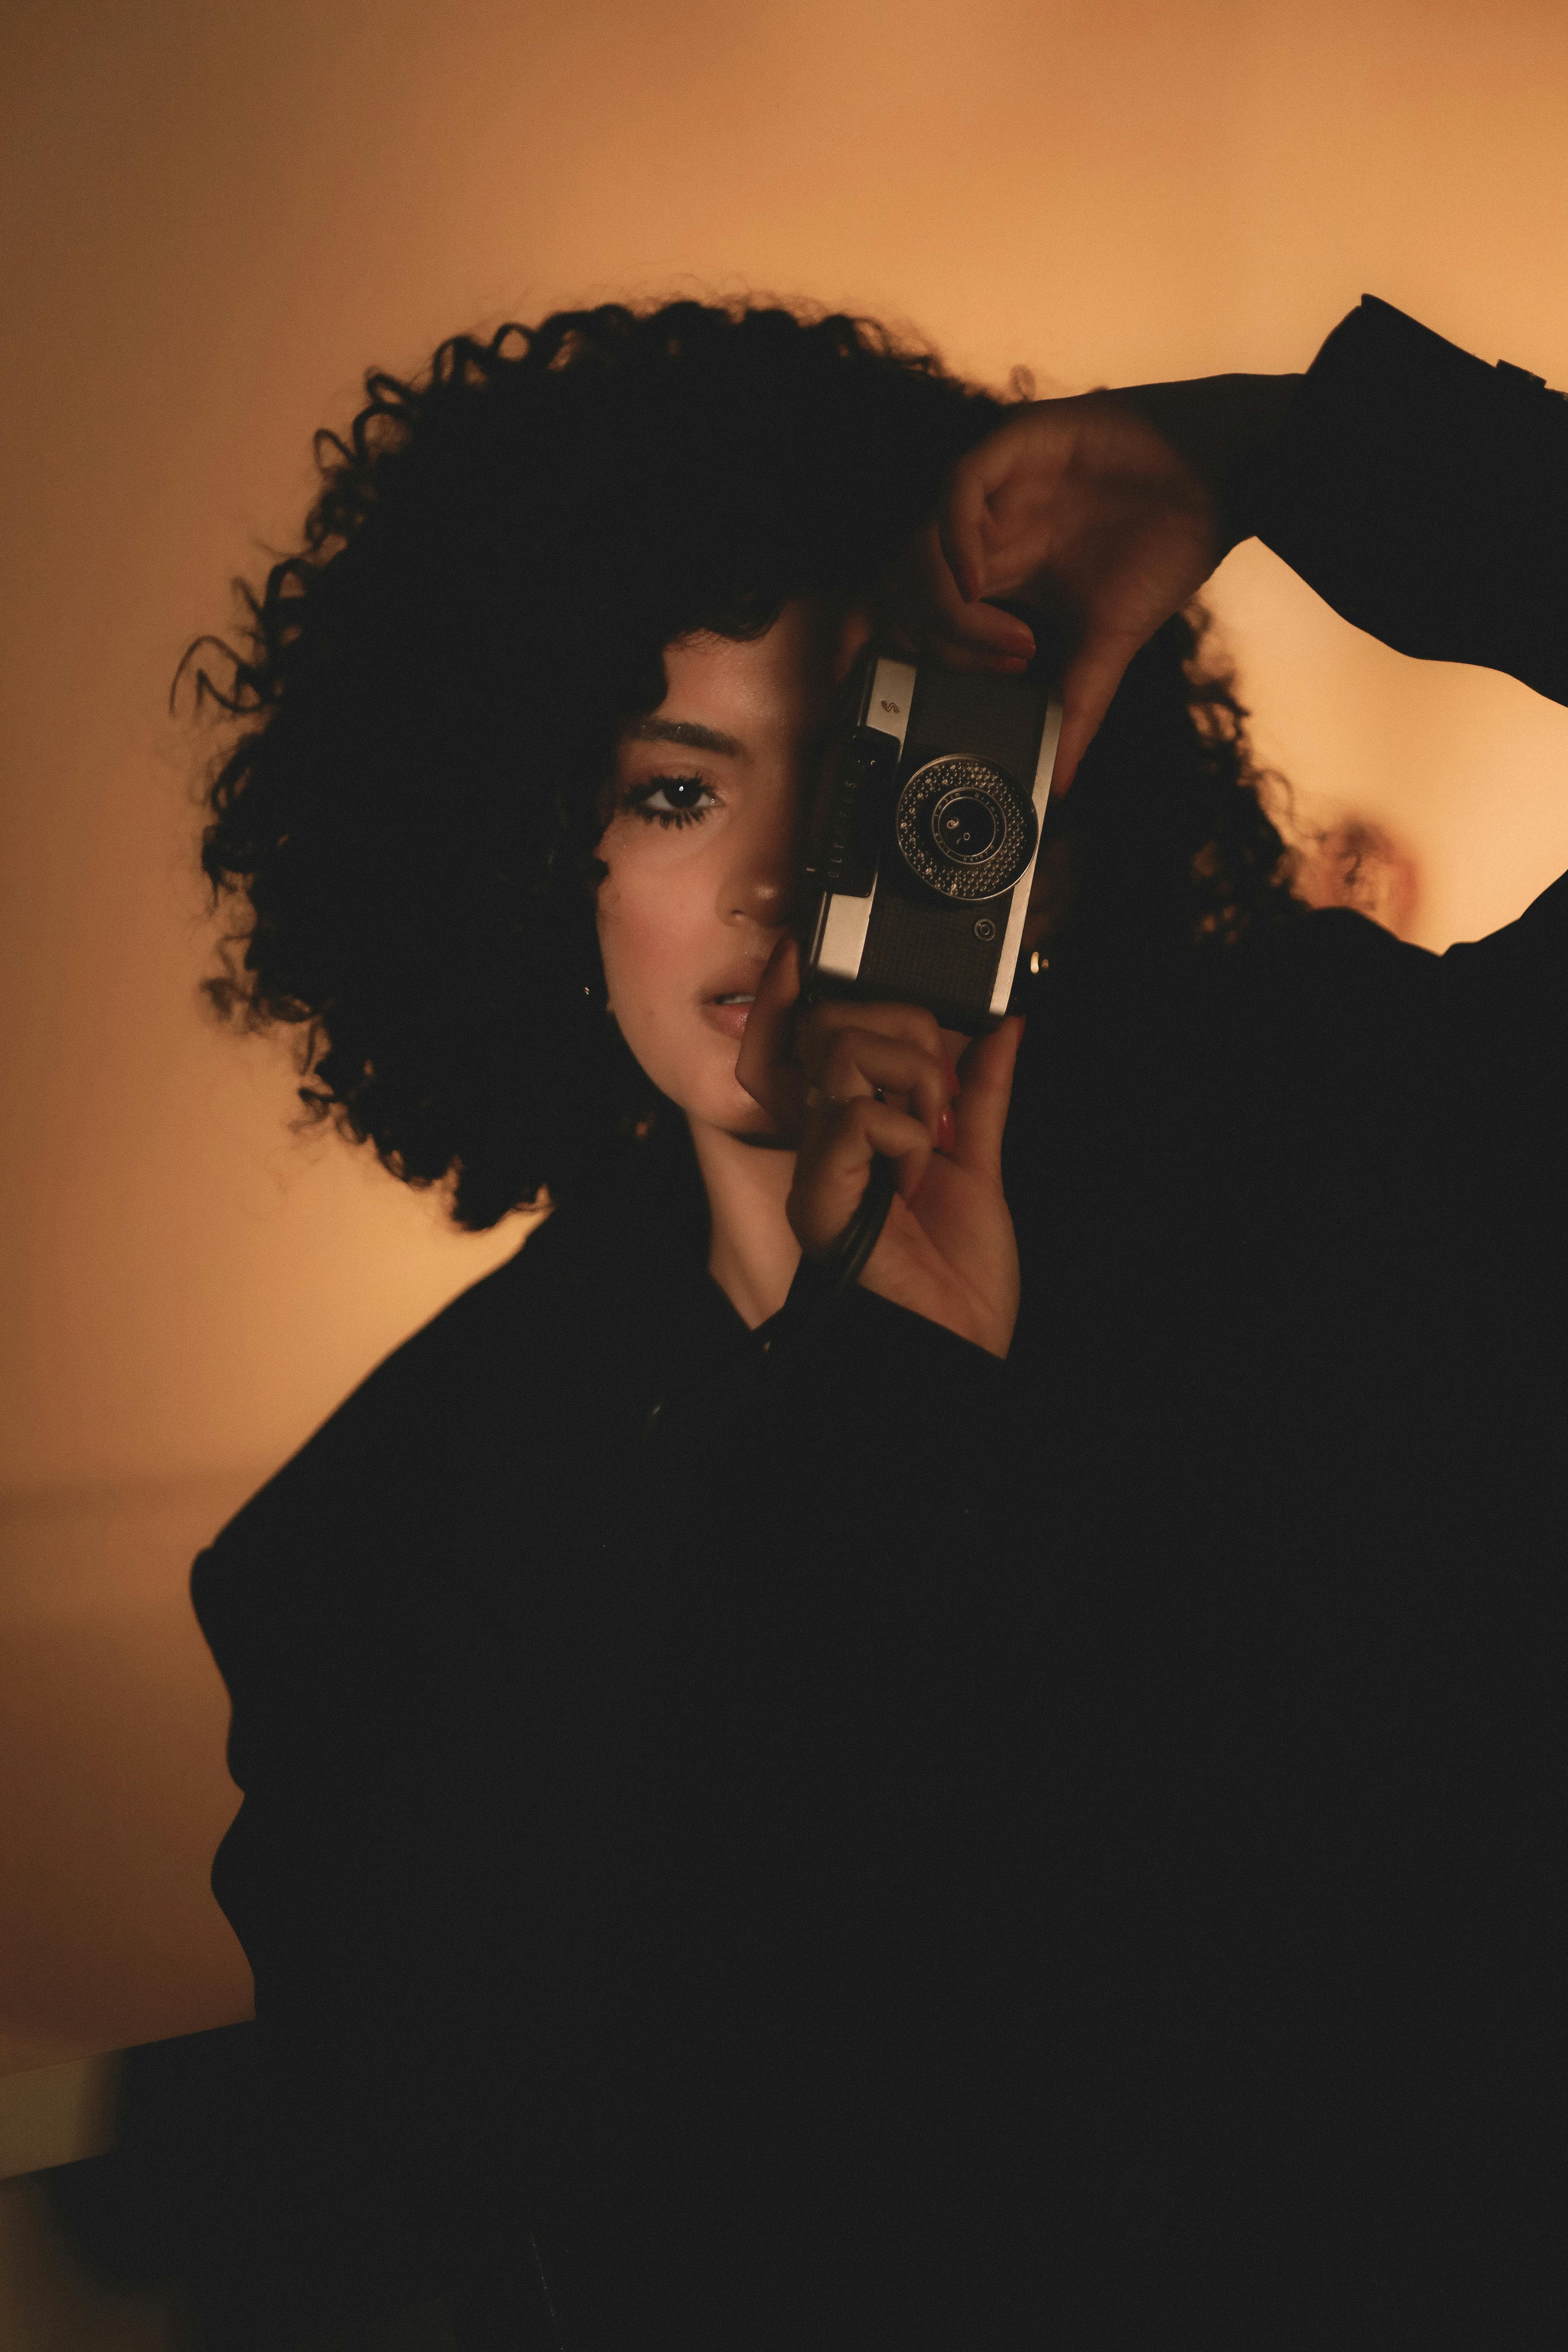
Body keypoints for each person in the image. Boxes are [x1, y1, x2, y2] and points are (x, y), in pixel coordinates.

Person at [186, 293, 1567, 2349]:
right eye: (672, 789)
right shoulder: (386, 1554)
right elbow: (653, 2222)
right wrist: (883, 1430)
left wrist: (1280, 454)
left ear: (1030, 791)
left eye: (866, 759)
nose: (773, 878)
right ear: (529, 852)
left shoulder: (1354, 1143)